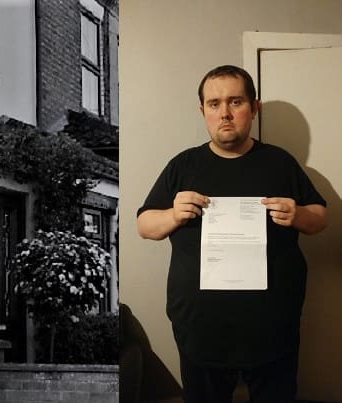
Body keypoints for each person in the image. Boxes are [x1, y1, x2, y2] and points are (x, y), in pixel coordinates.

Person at [136, 65, 328, 403]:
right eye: (214, 104)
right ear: (203, 111)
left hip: (273, 329)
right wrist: (172, 214)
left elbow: (320, 218)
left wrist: (297, 214)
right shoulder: (183, 166)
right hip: (200, 330)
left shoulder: (280, 163)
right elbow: (144, 225)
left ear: (255, 108)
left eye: (235, 101)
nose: (224, 113)